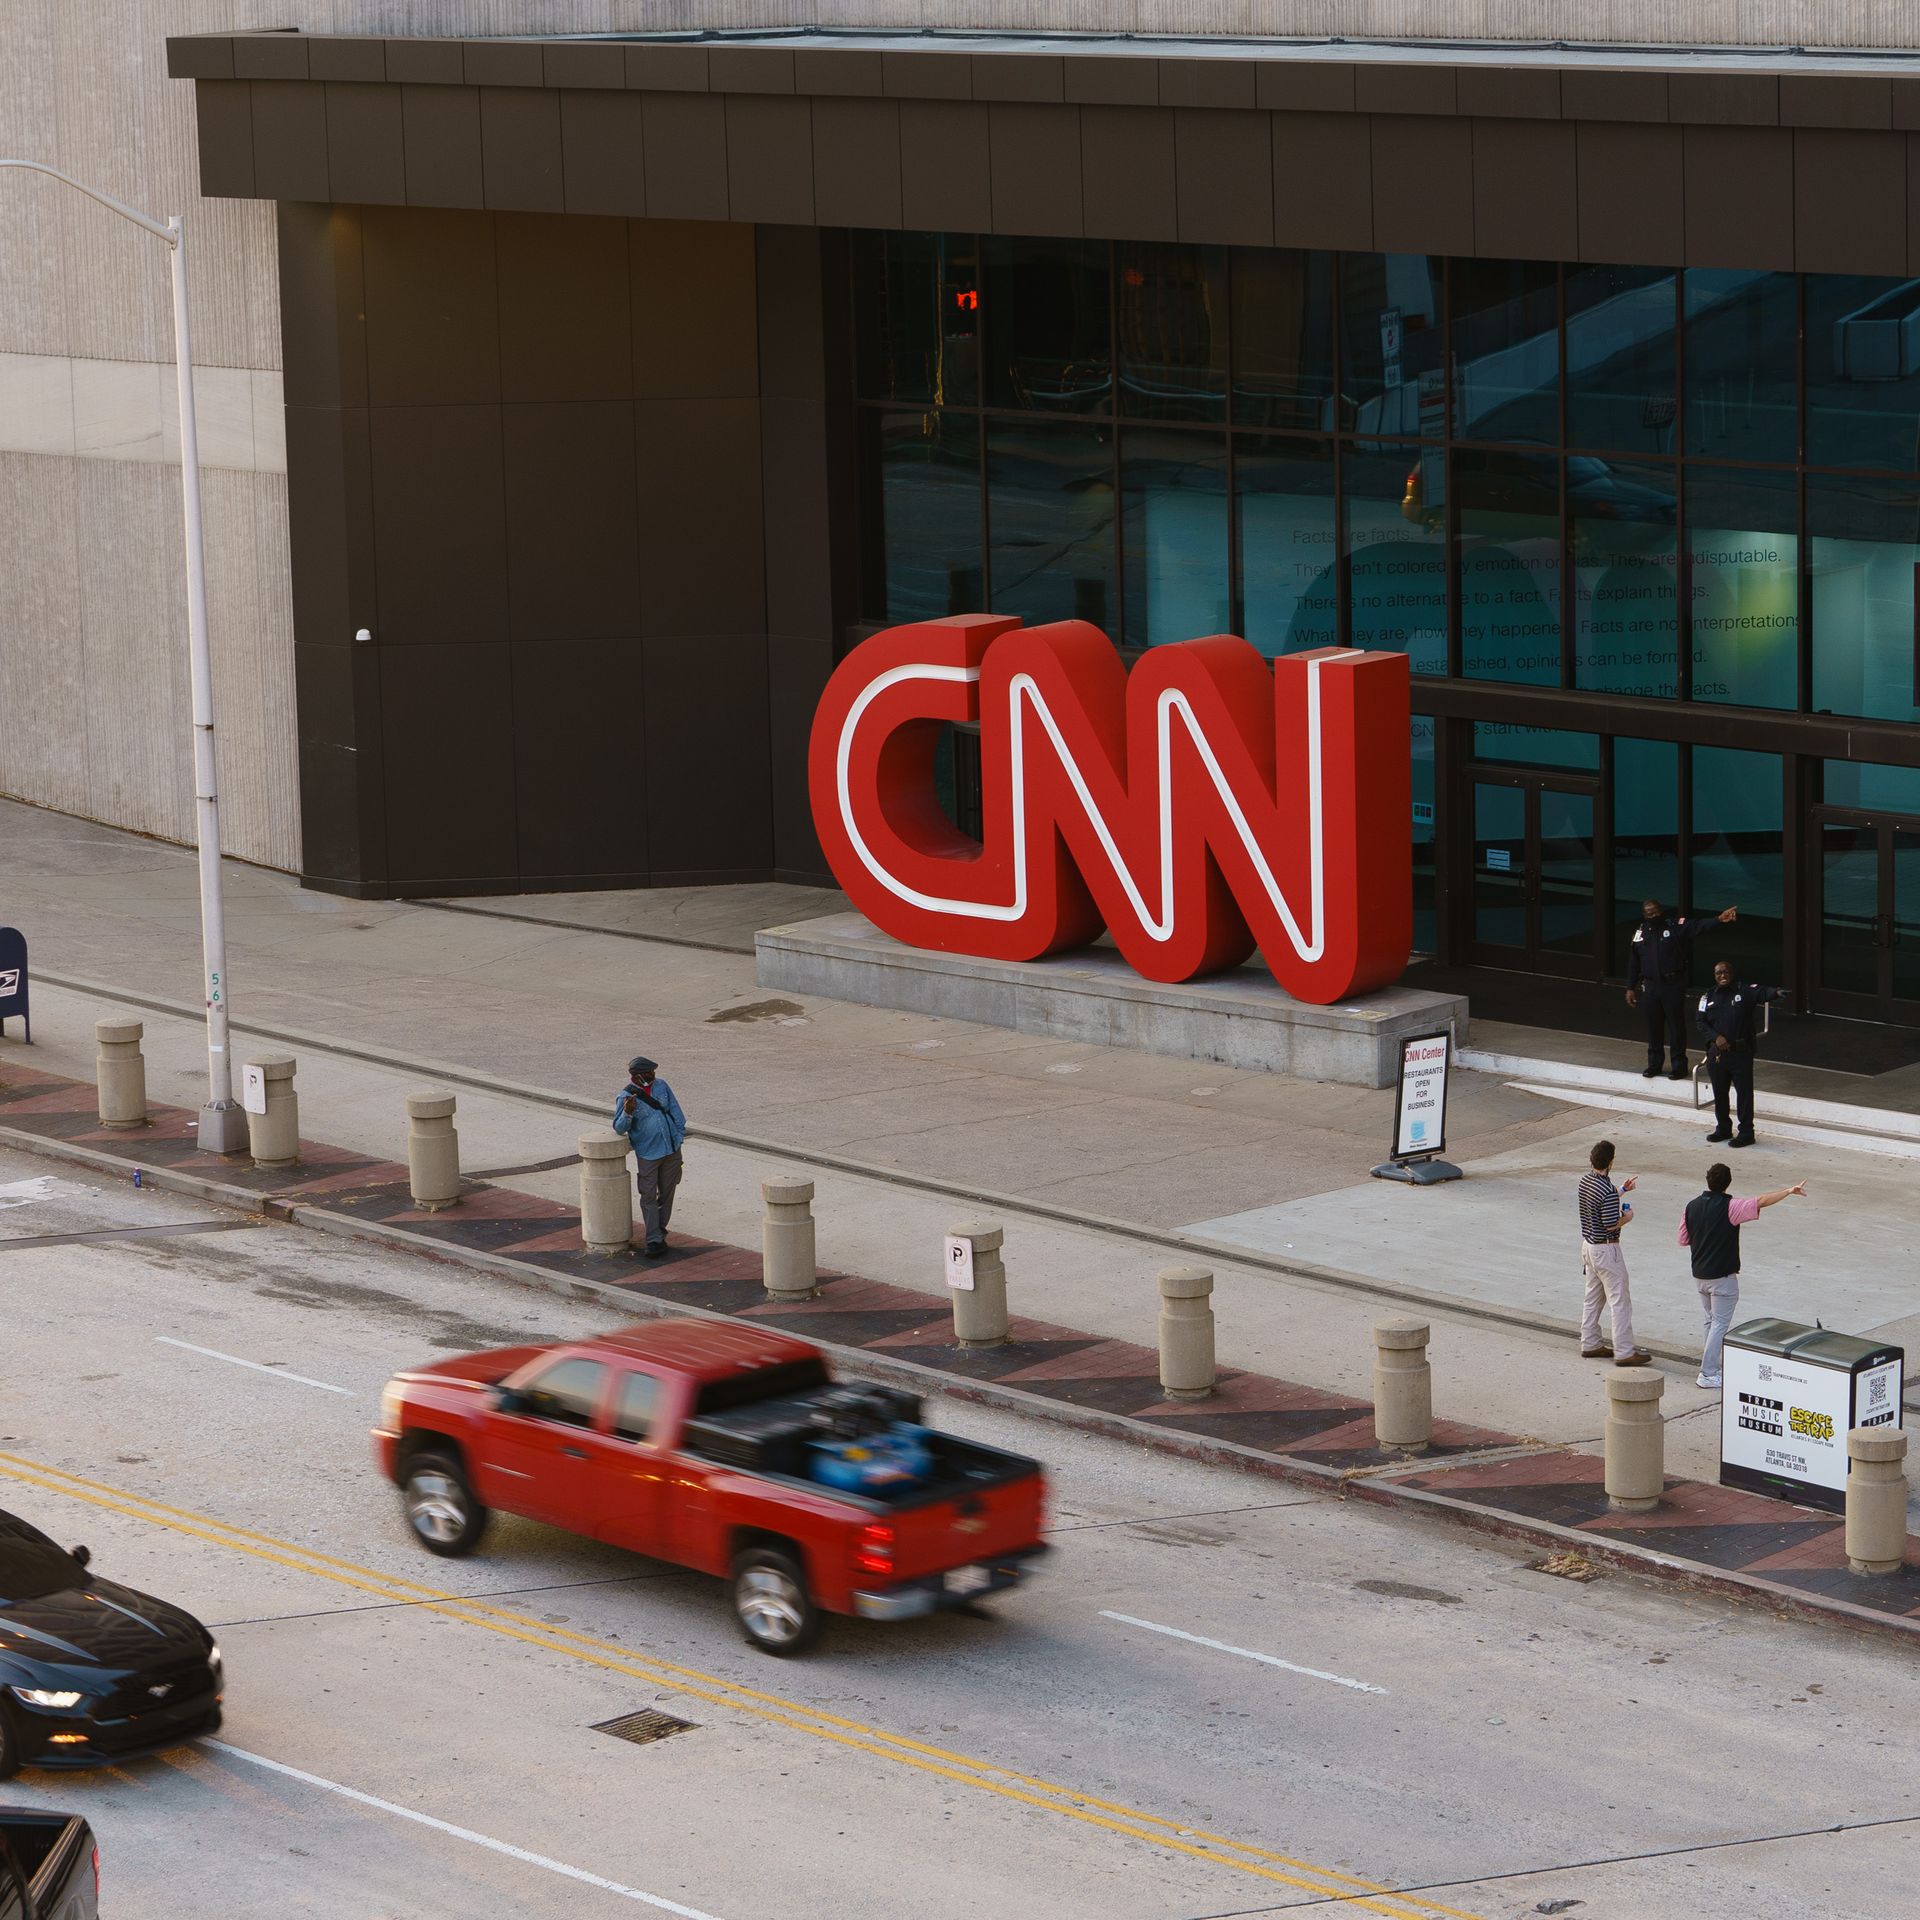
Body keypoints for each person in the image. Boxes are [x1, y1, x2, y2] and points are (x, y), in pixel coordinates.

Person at [1677, 1163, 1805, 1390]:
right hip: (1722, 1278)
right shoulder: (1730, 1207)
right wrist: (1787, 1191)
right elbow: (1761, 1201)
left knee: (1710, 1320)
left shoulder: (1691, 1207)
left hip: (1700, 1276)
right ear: (1728, 1183)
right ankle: (1707, 1373)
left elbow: (1683, 1239)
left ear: (1708, 1181)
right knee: (1719, 1323)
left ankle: (1712, 1368)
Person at [1624, 899, 1737, 1080]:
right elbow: (1634, 961)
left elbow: (1697, 926)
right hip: (1651, 986)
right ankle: (1654, 1064)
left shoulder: (1675, 926)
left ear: (1661, 910)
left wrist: (1719, 919)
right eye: (1649, 913)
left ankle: (1679, 1066)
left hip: (1672, 985)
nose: (1653, 915)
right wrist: (1630, 987)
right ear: (1645, 915)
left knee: (1676, 1027)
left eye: (1655, 912)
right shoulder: (1641, 933)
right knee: (1654, 1027)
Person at [1576, 1138, 1650, 1366]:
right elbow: (1610, 1223)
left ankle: (1590, 1342)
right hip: (1607, 1249)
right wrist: (1626, 1218)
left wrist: (1622, 1190)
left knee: (1593, 1297)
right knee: (1619, 1300)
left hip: (1588, 1246)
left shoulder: (1585, 1181)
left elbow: (1600, 1200)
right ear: (1610, 1162)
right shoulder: (1607, 1190)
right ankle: (1625, 1351)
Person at [1695, 961, 1782, 1148]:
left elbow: (1760, 992)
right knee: (1720, 1093)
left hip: (1740, 1054)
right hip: (1717, 1055)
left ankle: (1746, 1133)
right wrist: (1715, 1037)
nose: (1722, 975)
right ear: (1714, 975)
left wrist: (1775, 993)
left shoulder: (1743, 991)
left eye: (1726, 971)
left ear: (1732, 973)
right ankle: (1723, 1128)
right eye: (1718, 972)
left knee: (1744, 1094)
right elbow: (1700, 1022)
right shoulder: (1708, 996)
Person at [611, 1054, 686, 1257]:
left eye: (653, 1072)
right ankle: (653, 1240)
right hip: (648, 1154)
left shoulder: (661, 1086)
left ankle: (658, 1231)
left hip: (672, 1150)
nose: (652, 1075)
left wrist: (679, 1136)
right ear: (636, 1076)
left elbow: (676, 1111)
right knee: (648, 1196)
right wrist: (627, 1112)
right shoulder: (625, 1097)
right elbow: (619, 1128)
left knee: (668, 1193)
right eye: (648, 1072)